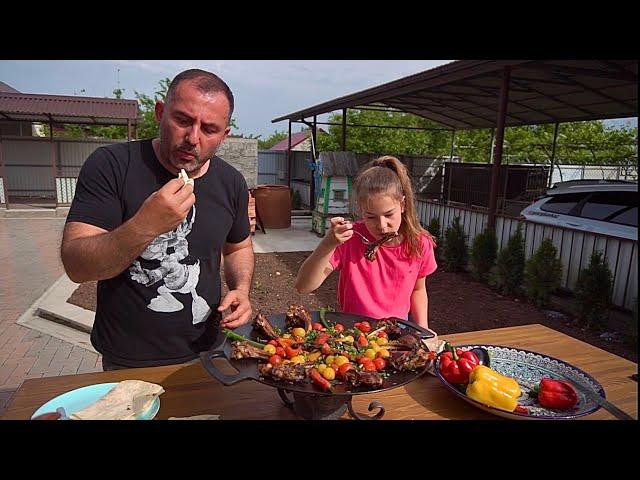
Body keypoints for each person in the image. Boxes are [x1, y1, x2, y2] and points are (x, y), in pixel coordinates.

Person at [61, 69, 254, 370]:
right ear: (160, 113)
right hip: (129, 360)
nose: (193, 138)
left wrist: (240, 290)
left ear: (224, 135)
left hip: (209, 352)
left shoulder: (231, 183)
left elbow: (238, 248)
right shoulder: (112, 165)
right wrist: (146, 224)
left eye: (209, 129)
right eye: (183, 120)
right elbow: (76, 265)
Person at [295, 155, 437, 329]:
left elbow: (418, 290)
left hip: (397, 331)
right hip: (354, 331)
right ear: (361, 211)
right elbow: (304, 286)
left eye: (389, 214)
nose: (382, 226)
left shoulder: (420, 243)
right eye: (371, 217)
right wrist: (328, 244)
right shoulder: (350, 238)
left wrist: (425, 330)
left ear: (402, 205)